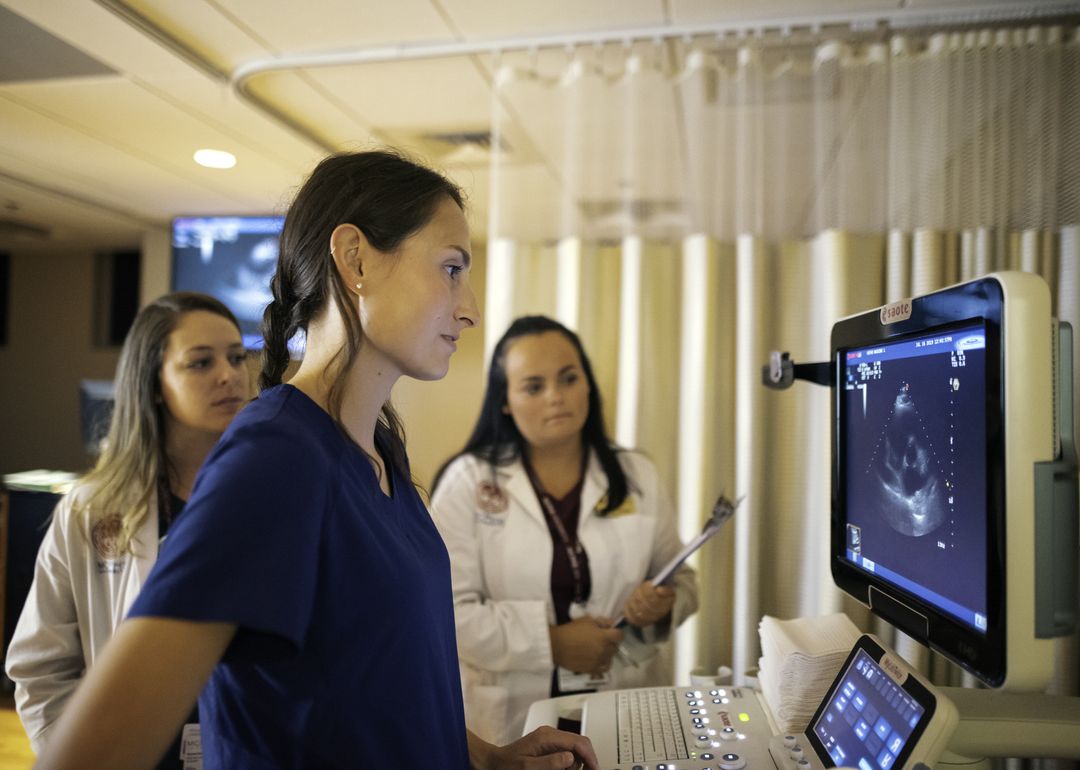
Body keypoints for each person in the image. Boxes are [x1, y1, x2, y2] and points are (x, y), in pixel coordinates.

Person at [34, 150, 597, 770]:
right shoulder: (277, 459)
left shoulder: (379, 450)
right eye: (452, 268)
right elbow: (93, 750)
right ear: (355, 259)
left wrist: (488, 759)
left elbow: (372, 692)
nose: (470, 308)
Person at [6, 292, 252, 767]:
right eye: (200, 363)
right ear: (154, 382)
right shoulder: (92, 508)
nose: (230, 374)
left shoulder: (272, 495)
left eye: (236, 357)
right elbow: (41, 667)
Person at [430, 315, 700, 745]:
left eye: (568, 378)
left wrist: (662, 606)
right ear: (506, 401)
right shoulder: (467, 484)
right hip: (511, 725)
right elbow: (447, 613)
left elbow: (683, 582)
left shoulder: (636, 475)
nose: (556, 396)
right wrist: (551, 643)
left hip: (626, 707)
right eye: (534, 387)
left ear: (587, 385)